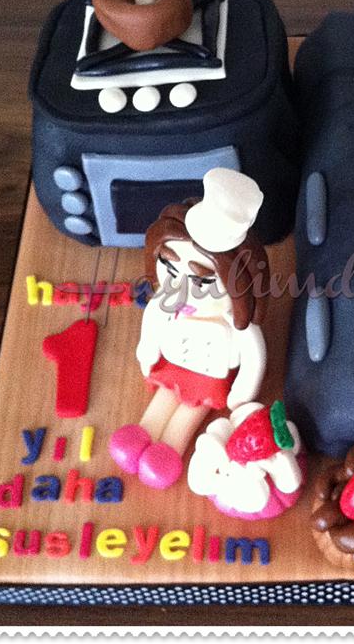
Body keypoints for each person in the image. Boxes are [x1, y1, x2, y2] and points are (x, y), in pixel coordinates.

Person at [109, 168, 269, 489]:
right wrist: (147, 351)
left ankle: (169, 450)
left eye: (202, 281)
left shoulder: (237, 326)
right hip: (173, 366)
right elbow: (152, 325)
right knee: (164, 398)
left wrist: (242, 393)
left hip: (209, 378)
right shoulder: (164, 304)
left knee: (187, 414)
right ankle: (142, 432)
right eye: (169, 267)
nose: (182, 287)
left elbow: (254, 359)